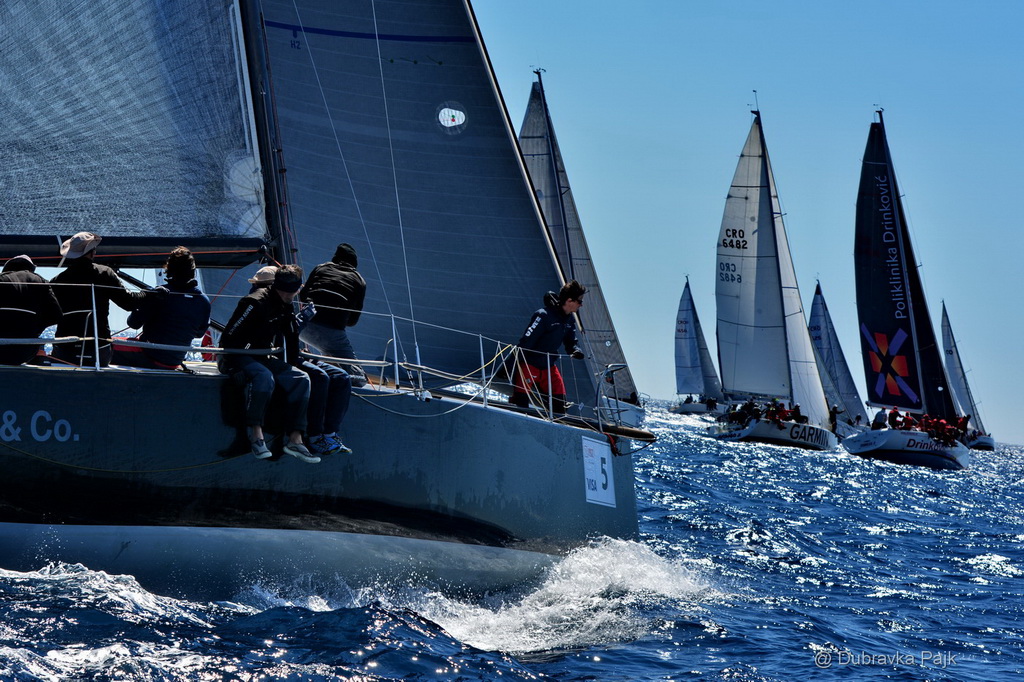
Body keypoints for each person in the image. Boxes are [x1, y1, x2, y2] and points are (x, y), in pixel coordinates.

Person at [247, 265, 354, 456]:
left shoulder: (283, 302)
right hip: (277, 357)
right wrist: (298, 324)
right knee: (319, 378)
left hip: (293, 354)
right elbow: (271, 338)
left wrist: (298, 324)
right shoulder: (259, 303)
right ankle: (313, 436)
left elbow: (287, 334)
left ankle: (329, 434)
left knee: (342, 377)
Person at [219, 265, 319, 463]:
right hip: (237, 355)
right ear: (284, 288)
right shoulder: (254, 302)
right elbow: (227, 339)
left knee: (301, 378)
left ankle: (295, 439)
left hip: (261, 356)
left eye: (296, 290)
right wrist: (233, 366)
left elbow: (291, 338)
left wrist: (293, 365)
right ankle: (255, 435)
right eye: (292, 290)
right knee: (264, 376)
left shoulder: (285, 303)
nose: (294, 294)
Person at [50, 232, 158, 367]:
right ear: (92, 252)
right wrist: (148, 293)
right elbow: (129, 303)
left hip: (65, 349)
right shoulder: (104, 273)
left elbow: (49, 315)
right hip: (98, 349)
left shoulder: (56, 281)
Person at [112, 247, 211, 369]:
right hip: (175, 360)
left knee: (103, 345)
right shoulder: (203, 300)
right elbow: (199, 334)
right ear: (193, 271)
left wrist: (146, 297)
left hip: (149, 355)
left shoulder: (160, 294)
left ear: (169, 269)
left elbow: (133, 323)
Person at [509, 280, 587, 414]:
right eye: (580, 301)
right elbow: (526, 342)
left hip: (548, 366)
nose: (581, 305)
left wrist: (575, 350)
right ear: (569, 301)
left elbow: (571, 341)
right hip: (529, 365)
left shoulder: (569, 319)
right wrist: (510, 365)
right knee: (521, 404)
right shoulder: (543, 315)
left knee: (560, 403)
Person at [299, 243, 367, 386]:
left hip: (302, 326)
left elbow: (303, 296)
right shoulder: (359, 280)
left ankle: (310, 362)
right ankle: (320, 366)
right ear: (354, 263)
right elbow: (353, 320)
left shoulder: (321, 267)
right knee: (359, 379)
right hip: (332, 333)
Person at [0, 255, 63, 365]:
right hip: (26, 350)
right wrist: (35, 328)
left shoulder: (2, 279)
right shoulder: (40, 281)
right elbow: (56, 315)